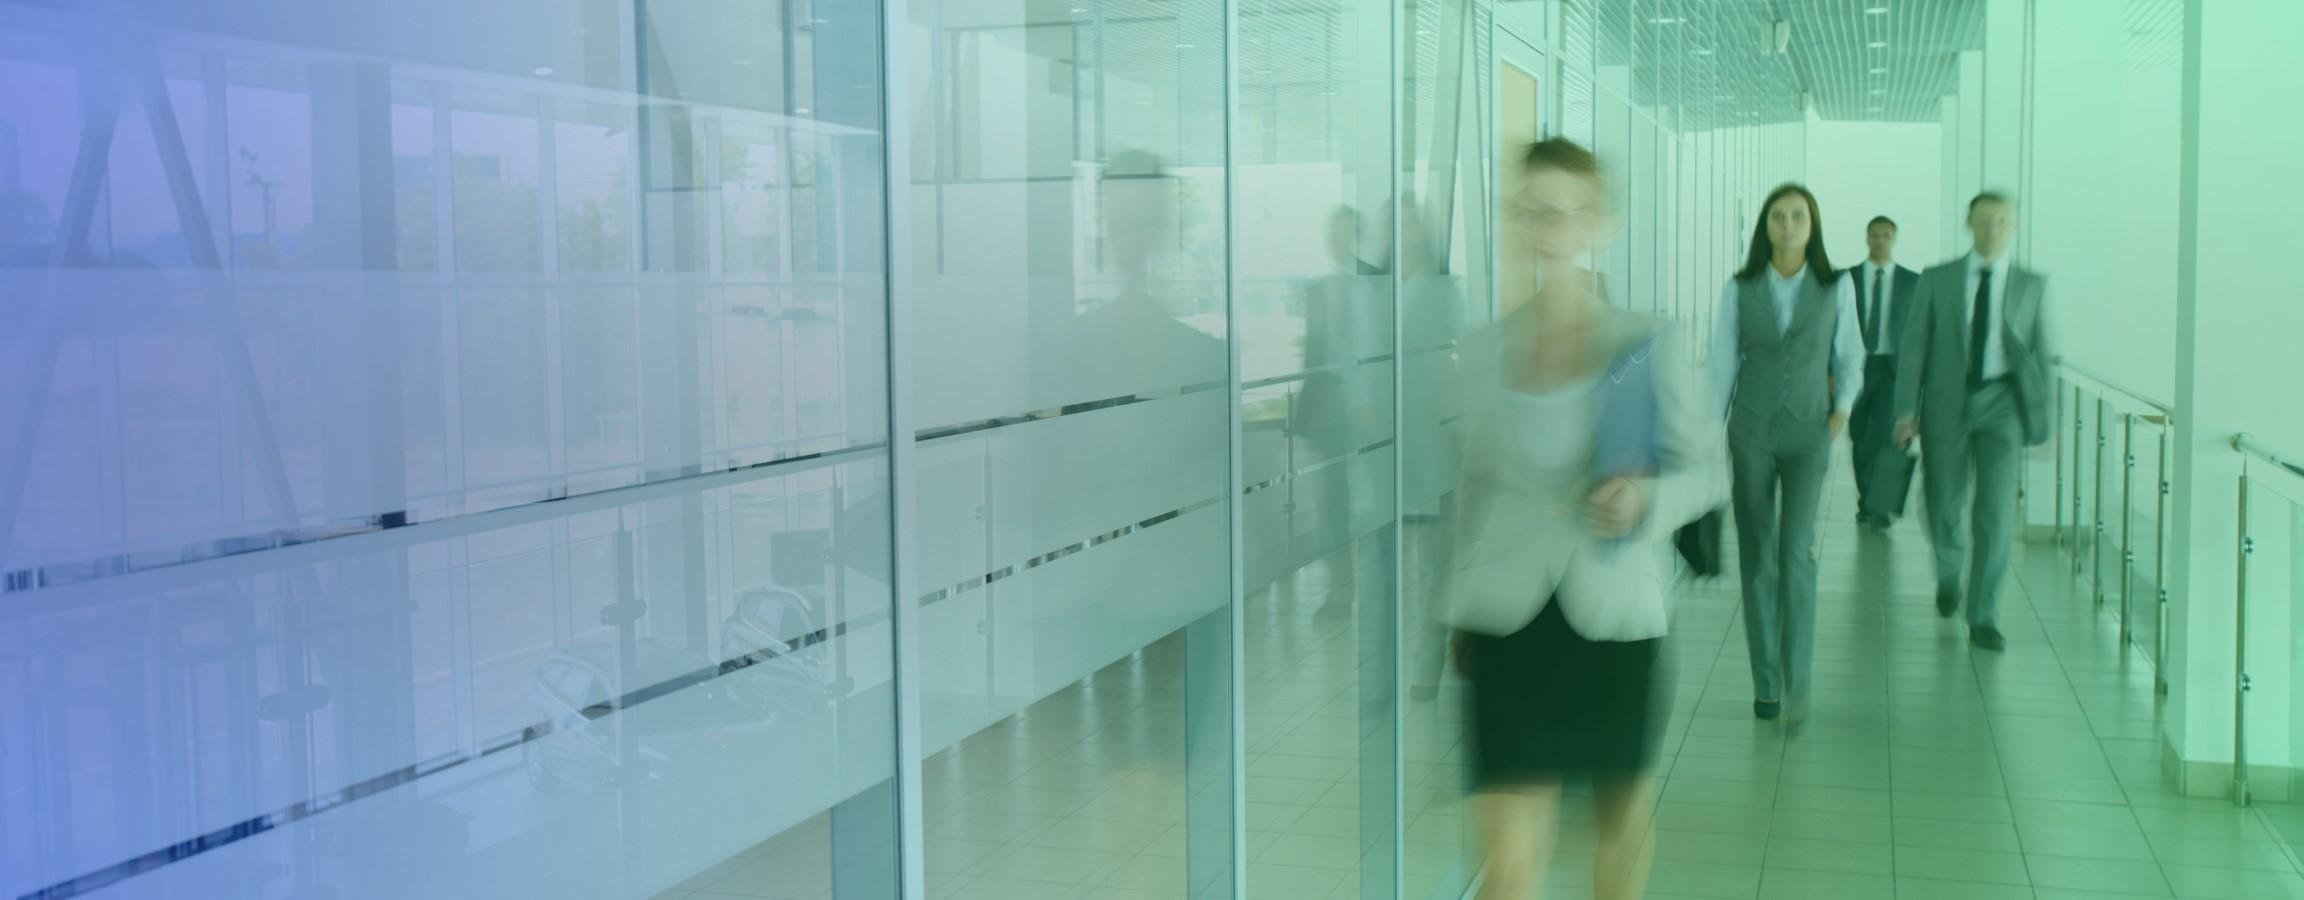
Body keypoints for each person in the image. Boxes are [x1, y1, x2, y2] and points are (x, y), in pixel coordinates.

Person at [1440, 138, 1727, 900]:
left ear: (1599, 223)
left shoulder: (1642, 343)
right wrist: (1449, 616)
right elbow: (1469, 491)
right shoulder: (1481, 351)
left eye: (1567, 212)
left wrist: (1646, 500)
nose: (1551, 228)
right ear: (1518, 220)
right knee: (1507, 861)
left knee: (1620, 828)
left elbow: (1705, 469)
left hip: (1612, 612)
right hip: (1505, 614)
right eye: (1534, 211)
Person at [1711, 183, 1865, 724]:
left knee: (1796, 553)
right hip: (1750, 430)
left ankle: (1798, 677)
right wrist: (1711, 434)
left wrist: (1837, 416)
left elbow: (1851, 355)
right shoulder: (1740, 287)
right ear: (1765, 225)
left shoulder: (1835, 286)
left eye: (1798, 216)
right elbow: (1721, 364)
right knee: (1757, 556)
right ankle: (1767, 684)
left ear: (1812, 224)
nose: (1788, 225)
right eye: (1778, 216)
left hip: (1807, 434)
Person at [1894, 191, 2054, 652]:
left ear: (2014, 226)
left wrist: (2046, 424)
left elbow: (2043, 356)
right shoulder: (1938, 279)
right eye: (1985, 221)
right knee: (1944, 501)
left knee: (1996, 512)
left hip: (2003, 405)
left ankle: (1983, 612)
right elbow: (1915, 348)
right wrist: (1907, 411)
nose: (1993, 229)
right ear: (1969, 222)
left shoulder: (2031, 285)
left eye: (2002, 221)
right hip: (1947, 401)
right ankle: (1949, 571)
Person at [1847, 216, 1922, 530]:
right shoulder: (1847, 278)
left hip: (1893, 368)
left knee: (1885, 437)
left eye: (1886, 235)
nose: (1880, 240)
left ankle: (1880, 508)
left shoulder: (1912, 281)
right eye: (1875, 235)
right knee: (1859, 437)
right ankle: (1867, 501)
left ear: (1894, 239)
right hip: (1856, 365)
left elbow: (1921, 332)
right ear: (1866, 238)